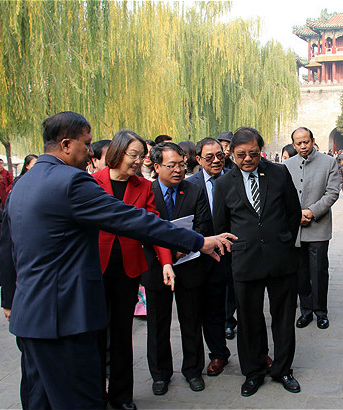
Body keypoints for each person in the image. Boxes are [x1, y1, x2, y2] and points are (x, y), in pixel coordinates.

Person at [0, 111, 235, 410]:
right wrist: (198, 241)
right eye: (86, 144)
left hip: (28, 317)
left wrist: (9, 298)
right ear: (67, 144)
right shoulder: (72, 182)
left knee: (38, 399)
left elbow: (8, 249)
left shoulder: (23, 183)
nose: (90, 152)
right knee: (78, 400)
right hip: (66, 318)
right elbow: (132, 219)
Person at [92, 130, 178, 409]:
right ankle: (93, 394)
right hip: (94, 270)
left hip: (127, 272)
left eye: (141, 156)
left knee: (121, 335)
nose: (138, 162)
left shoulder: (143, 186)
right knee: (94, 335)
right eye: (134, 155)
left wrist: (166, 261)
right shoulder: (92, 182)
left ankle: (121, 396)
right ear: (117, 153)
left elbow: (153, 226)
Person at [213, 127, 301, 397]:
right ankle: (253, 371)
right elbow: (220, 225)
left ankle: (283, 370)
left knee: (283, 317)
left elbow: (293, 212)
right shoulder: (224, 183)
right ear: (231, 154)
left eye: (253, 153)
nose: (248, 159)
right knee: (249, 320)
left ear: (260, 150)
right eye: (241, 155)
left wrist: (283, 238)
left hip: (280, 257)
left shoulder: (278, 172)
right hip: (245, 260)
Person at [141, 142, 215, 395]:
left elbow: (204, 226)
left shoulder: (194, 191)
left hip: (189, 264)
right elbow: (141, 229)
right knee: (158, 323)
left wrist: (184, 247)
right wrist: (166, 254)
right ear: (157, 166)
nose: (178, 170)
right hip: (155, 267)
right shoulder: (146, 192)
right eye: (171, 165)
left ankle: (193, 370)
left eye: (181, 165)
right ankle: (160, 374)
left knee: (191, 320)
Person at [284, 127, 340, 330]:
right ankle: (305, 311)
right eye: (298, 143)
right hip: (295, 228)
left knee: (318, 272)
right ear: (293, 145)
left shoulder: (328, 162)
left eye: (305, 142)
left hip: (318, 226)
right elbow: (283, 195)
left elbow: (332, 193)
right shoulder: (287, 165)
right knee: (300, 273)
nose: (302, 146)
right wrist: (295, 214)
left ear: (313, 140)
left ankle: (321, 312)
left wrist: (311, 211)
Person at [189, 138, 235, 370]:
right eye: (210, 157)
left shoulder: (235, 177)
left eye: (220, 155)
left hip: (237, 253)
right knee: (212, 307)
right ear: (198, 160)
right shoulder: (190, 184)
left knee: (247, 305)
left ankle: (257, 352)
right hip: (208, 256)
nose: (216, 160)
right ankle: (218, 353)